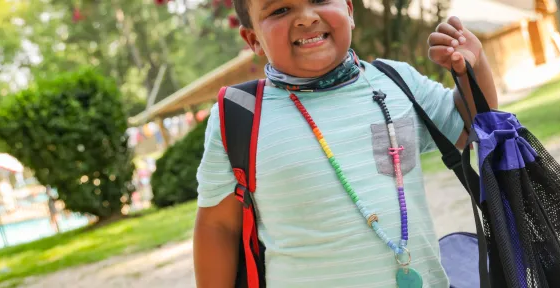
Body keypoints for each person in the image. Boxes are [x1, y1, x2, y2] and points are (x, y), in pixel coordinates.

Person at [192, 0, 499, 286]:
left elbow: (468, 126)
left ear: (350, 10)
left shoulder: (396, 82)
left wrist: (472, 67)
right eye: (280, 10)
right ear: (253, 39)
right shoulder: (240, 114)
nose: (306, 17)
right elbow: (218, 227)